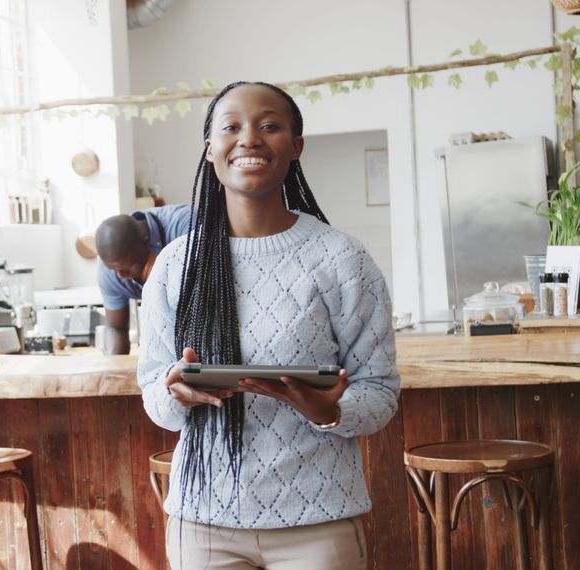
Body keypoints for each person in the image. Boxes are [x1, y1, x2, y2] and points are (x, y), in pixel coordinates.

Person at [136, 80, 399, 569]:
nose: (249, 138)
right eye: (231, 127)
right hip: (204, 524)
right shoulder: (176, 265)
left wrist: (329, 411)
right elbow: (153, 394)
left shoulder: (342, 259)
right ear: (211, 148)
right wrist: (176, 394)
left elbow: (380, 394)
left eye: (270, 126)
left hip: (318, 522)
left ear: (295, 146)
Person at [95, 203, 191, 354]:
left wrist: (162, 272)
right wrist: (114, 373)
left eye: (127, 268)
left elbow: (206, 297)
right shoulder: (109, 271)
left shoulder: (186, 225)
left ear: (146, 243)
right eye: (115, 270)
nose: (121, 276)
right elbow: (116, 328)